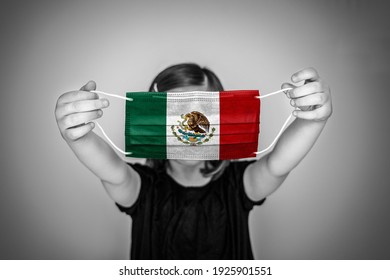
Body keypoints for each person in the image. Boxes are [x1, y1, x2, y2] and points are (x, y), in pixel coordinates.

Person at [54, 63, 332, 259]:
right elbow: (112, 171)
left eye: (200, 113)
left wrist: (313, 121)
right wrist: (79, 138)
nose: (188, 128)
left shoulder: (238, 183)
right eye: (176, 113)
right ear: (156, 119)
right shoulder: (143, 187)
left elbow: (278, 164)